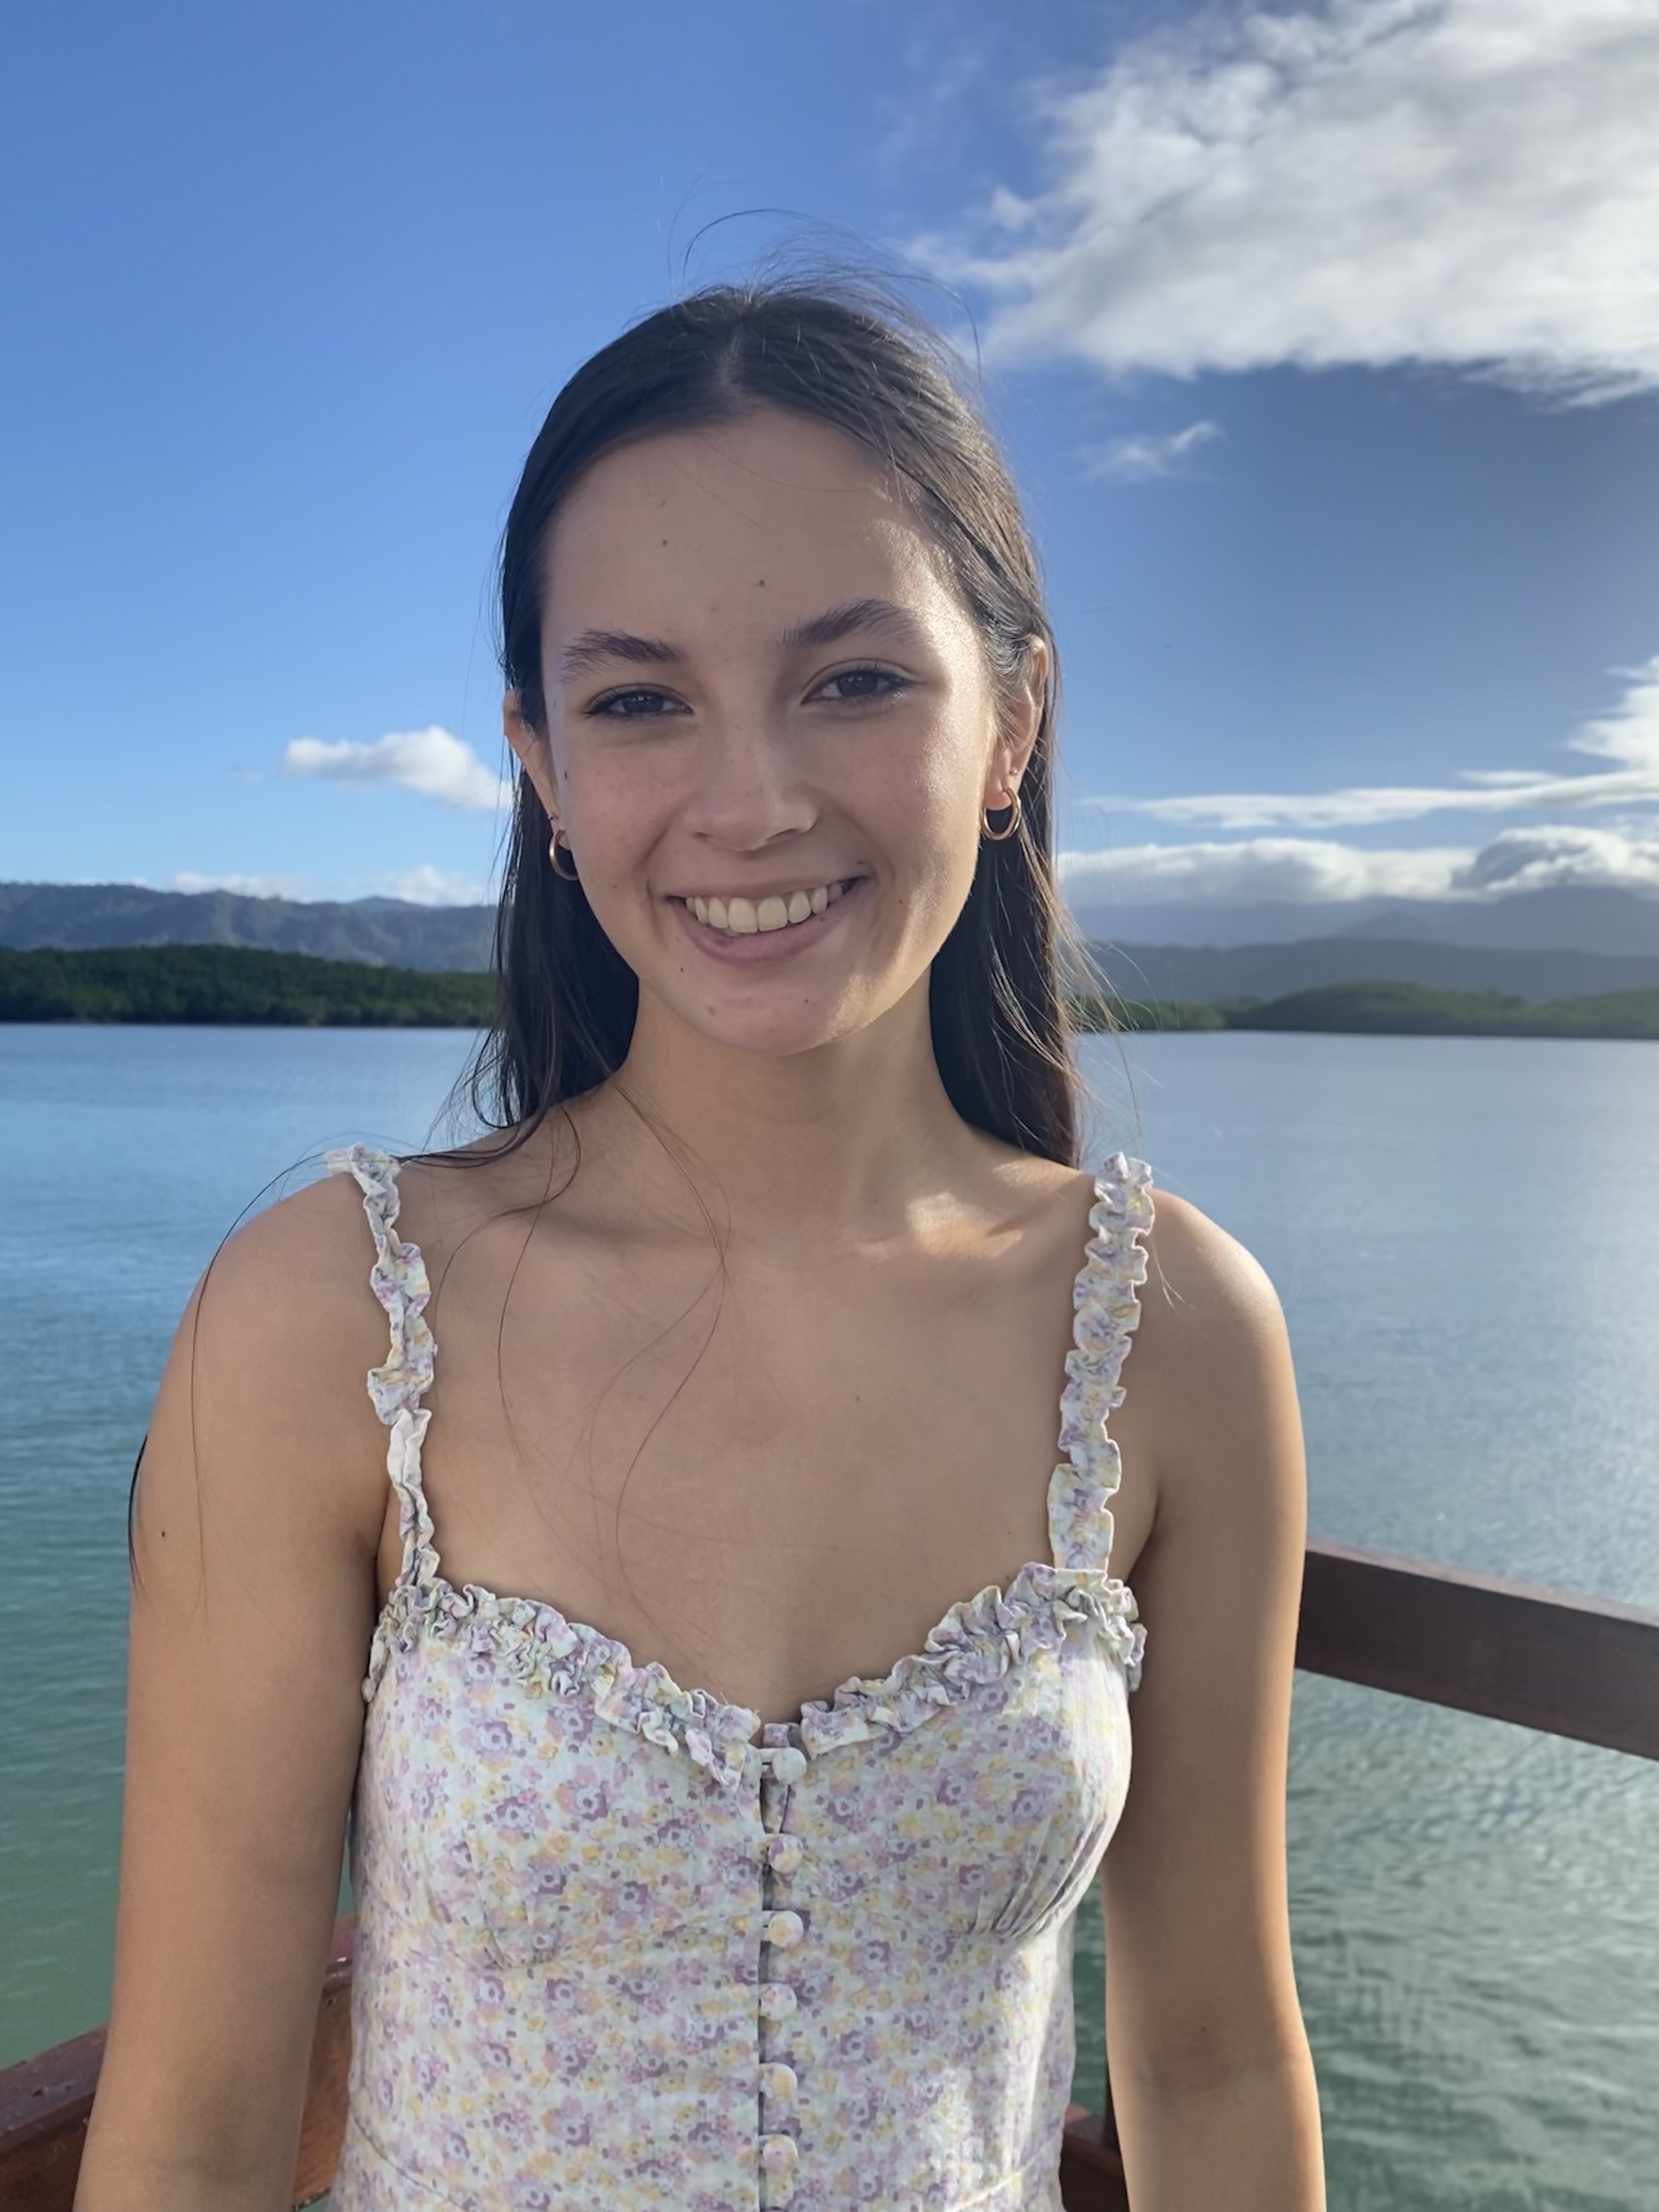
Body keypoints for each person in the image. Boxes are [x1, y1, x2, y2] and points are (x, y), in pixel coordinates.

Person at [77, 280, 1325, 2211]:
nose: (752, 805)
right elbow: (195, 2120)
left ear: (1014, 720)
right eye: (640, 701)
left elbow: (1216, 2058)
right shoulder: (332, 1320)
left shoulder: (1170, 1332)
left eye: (854, 680)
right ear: (542, 767)